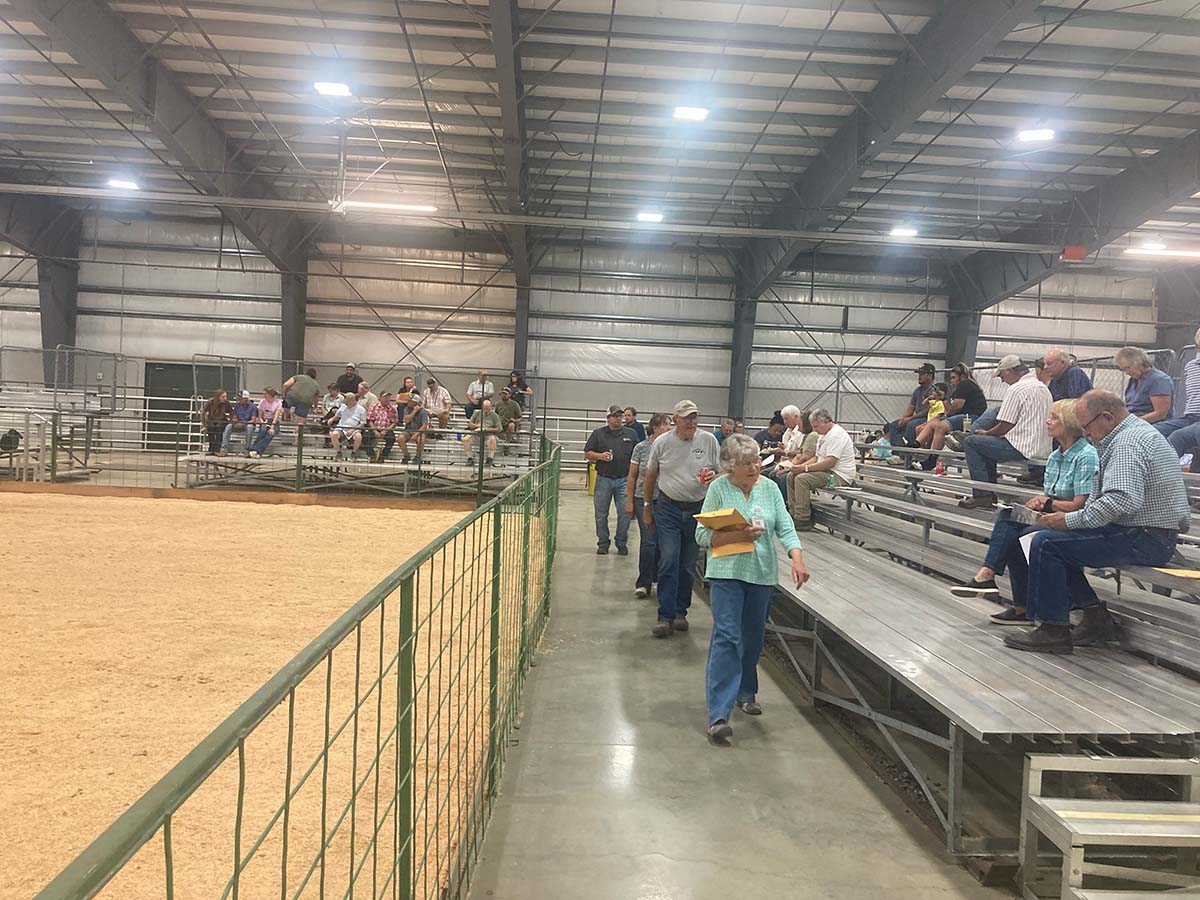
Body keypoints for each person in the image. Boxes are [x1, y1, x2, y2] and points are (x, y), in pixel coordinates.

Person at [1003, 390, 1190, 655]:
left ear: (1107, 417)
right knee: (1043, 539)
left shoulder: (1127, 443)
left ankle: (1054, 630)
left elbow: (1120, 501)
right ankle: (1094, 618)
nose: (1085, 433)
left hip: (1145, 537)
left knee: (1046, 543)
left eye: (1086, 427)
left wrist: (1070, 521)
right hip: (1143, 531)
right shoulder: (1130, 435)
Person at [696, 434, 809, 743]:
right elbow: (701, 536)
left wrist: (797, 559)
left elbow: (785, 526)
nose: (754, 467)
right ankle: (718, 715)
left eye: (756, 460)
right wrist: (738, 535)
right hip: (726, 572)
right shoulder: (719, 488)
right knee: (727, 636)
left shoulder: (770, 488)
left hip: (761, 574)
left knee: (753, 637)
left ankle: (746, 691)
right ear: (730, 465)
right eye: (746, 463)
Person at [950, 399, 1099, 625]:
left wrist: (1047, 503)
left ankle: (1010, 596)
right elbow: (1051, 497)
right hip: (1053, 514)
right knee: (1008, 516)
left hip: (1075, 520)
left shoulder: (1086, 456)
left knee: (1019, 537)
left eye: (1054, 418)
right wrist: (1040, 503)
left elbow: (1081, 504)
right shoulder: (1055, 456)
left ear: (1069, 423)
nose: (1048, 421)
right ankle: (990, 577)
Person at [642, 400, 721, 638]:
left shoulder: (709, 440)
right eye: (686, 418)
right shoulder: (662, 443)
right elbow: (650, 475)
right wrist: (647, 506)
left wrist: (715, 476)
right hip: (668, 509)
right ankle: (665, 616)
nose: (691, 422)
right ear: (675, 419)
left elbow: (721, 471)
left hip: (698, 509)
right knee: (668, 560)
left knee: (688, 566)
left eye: (694, 417)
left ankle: (680, 612)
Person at [959, 356, 1052, 509]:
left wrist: (987, 433)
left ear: (1009, 371)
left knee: (970, 442)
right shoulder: (1043, 388)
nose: (1002, 380)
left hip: (1022, 447)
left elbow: (1006, 424)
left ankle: (983, 495)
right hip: (1042, 447)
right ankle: (988, 494)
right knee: (983, 445)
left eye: (1002, 375)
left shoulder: (1016, 389)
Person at [786, 408, 857, 531]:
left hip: (838, 475)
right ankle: (793, 513)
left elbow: (829, 462)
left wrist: (805, 468)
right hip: (826, 471)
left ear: (825, 422)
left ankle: (803, 519)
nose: (814, 430)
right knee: (791, 476)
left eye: (816, 426)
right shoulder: (823, 434)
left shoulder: (836, 435)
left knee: (802, 479)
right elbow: (817, 457)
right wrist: (798, 468)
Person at [625, 413, 670, 598]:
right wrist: (629, 501)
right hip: (642, 498)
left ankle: (658, 579)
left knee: (662, 542)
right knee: (648, 541)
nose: (669, 429)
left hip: (665, 501)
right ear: (655, 427)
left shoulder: (670, 448)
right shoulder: (641, 448)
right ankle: (643, 582)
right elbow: (632, 476)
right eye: (666, 425)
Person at [584, 405, 638, 555]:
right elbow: (587, 453)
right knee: (601, 514)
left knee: (625, 514)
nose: (618, 418)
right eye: (615, 416)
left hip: (624, 480)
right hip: (604, 479)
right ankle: (603, 543)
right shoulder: (598, 434)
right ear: (608, 418)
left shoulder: (631, 434)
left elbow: (638, 454)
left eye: (620, 416)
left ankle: (621, 542)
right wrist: (600, 456)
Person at [921, 364, 987, 458]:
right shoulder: (959, 388)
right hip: (963, 416)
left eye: (954, 378)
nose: (951, 380)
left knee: (941, 426)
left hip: (971, 417)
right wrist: (943, 399)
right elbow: (951, 409)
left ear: (962, 376)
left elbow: (956, 407)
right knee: (928, 424)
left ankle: (932, 457)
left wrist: (947, 416)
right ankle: (916, 446)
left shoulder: (965, 384)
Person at [1155, 327, 1200, 444]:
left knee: (1178, 437)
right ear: (1197, 346)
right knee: (1153, 430)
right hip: (1190, 417)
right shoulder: (1190, 366)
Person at [1115, 346, 1173, 425]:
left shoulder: (1159, 380)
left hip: (1153, 424)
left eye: (1127, 368)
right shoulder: (1133, 380)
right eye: (1123, 369)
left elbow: (1160, 414)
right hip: (1133, 420)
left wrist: (1131, 423)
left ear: (1138, 363)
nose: (1126, 372)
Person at [885, 363, 935, 448]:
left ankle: (911, 452)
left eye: (922, 374)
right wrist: (903, 418)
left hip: (928, 417)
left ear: (930, 376)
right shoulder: (917, 390)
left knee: (911, 425)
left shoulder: (933, 390)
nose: (919, 376)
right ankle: (897, 451)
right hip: (916, 417)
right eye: (919, 374)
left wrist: (909, 419)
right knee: (893, 425)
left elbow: (928, 410)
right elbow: (911, 407)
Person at [281, 368, 321, 442]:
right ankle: (297, 441)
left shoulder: (299, 377)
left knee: (286, 403)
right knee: (300, 423)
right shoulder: (316, 385)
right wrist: (315, 407)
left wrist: (283, 395)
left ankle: (286, 415)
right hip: (305, 402)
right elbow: (316, 399)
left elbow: (285, 384)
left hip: (291, 397)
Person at [329, 393, 367, 460]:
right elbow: (337, 415)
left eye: (347, 402)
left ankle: (354, 452)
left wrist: (352, 430)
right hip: (341, 427)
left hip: (354, 429)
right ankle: (338, 452)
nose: (345, 404)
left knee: (358, 436)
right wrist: (332, 419)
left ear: (352, 401)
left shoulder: (361, 409)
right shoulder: (343, 406)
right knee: (334, 434)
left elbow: (362, 423)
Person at [463, 398, 501, 466]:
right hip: (476, 433)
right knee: (466, 439)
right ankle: (470, 458)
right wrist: (477, 426)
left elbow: (499, 428)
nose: (486, 410)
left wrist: (487, 429)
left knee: (492, 439)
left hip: (488, 435)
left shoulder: (494, 415)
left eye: (487, 408)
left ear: (490, 407)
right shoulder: (477, 413)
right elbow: (469, 424)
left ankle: (490, 458)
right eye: (484, 408)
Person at [248, 388, 283, 458]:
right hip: (264, 421)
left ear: (270, 394)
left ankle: (254, 450)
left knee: (270, 434)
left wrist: (272, 427)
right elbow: (260, 416)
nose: (264, 395)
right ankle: (257, 452)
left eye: (266, 394)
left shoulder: (278, 403)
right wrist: (263, 423)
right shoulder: (262, 402)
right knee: (262, 431)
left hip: (273, 422)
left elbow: (276, 417)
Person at [365, 391, 398, 462]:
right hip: (375, 427)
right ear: (380, 398)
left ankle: (383, 456)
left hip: (386, 429)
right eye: (385, 397)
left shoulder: (392, 408)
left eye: (388, 397)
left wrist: (385, 431)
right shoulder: (374, 407)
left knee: (391, 439)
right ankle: (372, 456)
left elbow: (394, 423)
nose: (387, 399)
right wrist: (375, 431)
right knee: (365, 437)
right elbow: (370, 420)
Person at [397, 394, 429, 464]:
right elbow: (406, 420)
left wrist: (416, 434)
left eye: (410, 401)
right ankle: (406, 455)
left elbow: (424, 426)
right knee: (400, 438)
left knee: (420, 439)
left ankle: (418, 456)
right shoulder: (406, 409)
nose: (408, 402)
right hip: (408, 430)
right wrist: (414, 411)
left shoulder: (423, 411)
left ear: (415, 402)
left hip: (419, 431)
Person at [200, 389, 231, 456]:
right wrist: (204, 424)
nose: (225, 398)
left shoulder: (227, 403)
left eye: (225, 396)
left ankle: (217, 449)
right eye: (223, 397)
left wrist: (232, 420)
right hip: (212, 420)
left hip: (222, 420)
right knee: (211, 427)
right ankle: (211, 449)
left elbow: (231, 412)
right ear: (218, 397)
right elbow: (203, 412)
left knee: (219, 427)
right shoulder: (210, 402)